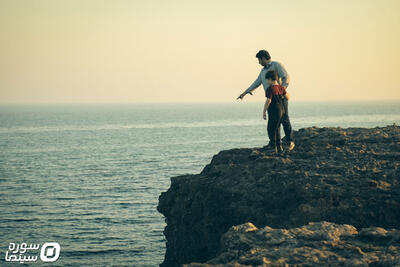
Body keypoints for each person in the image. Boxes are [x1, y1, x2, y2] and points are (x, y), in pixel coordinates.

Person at [237, 50, 295, 151]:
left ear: (263, 58)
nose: (259, 62)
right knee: (273, 122)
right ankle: (275, 144)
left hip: (280, 98)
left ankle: (290, 142)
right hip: (271, 100)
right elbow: (257, 82)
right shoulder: (263, 71)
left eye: (259, 60)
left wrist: (282, 90)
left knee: (284, 119)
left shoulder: (276, 65)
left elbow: (286, 77)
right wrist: (245, 92)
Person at [263, 70, 286, 153]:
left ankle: (273, 147)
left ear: (270, 79)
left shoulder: (270, 89)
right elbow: (287, 96)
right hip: (282, 111)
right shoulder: (281, 88)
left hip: (274, 111)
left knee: (271, 129)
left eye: (267, 80)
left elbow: (268, 100)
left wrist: (264, 111)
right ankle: (279, 147)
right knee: (277, 128)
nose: (266, 81)